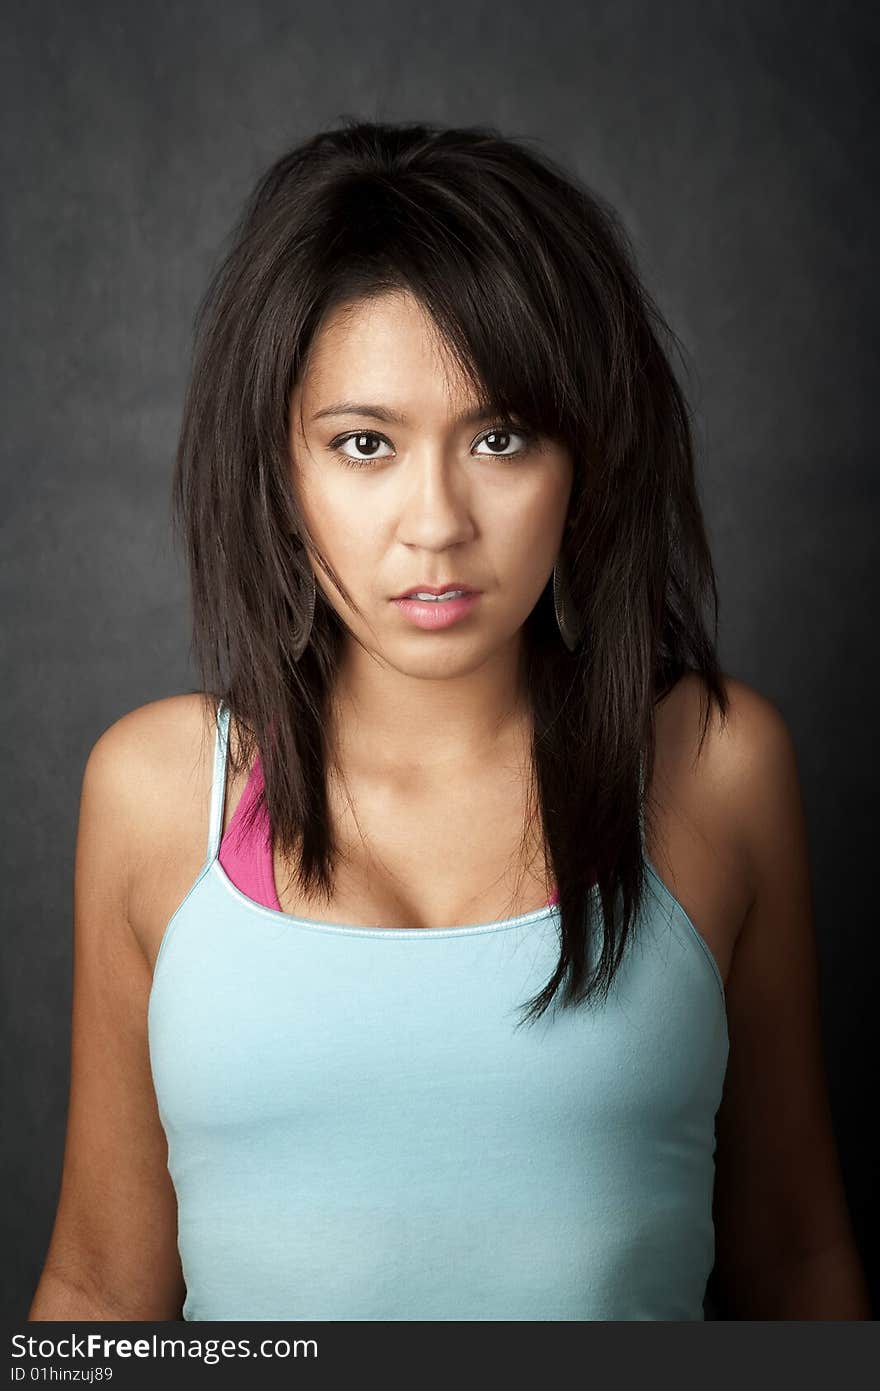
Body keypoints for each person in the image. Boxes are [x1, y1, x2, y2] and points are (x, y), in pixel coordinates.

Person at [28, 118, 871, 1322]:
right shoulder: (160, 790)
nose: (435, 521)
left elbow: (793, 1262)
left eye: (499, 437)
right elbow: (102, 1285)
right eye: (364, 443)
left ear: (585, 458)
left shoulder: (713, 767)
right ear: (282, 468)